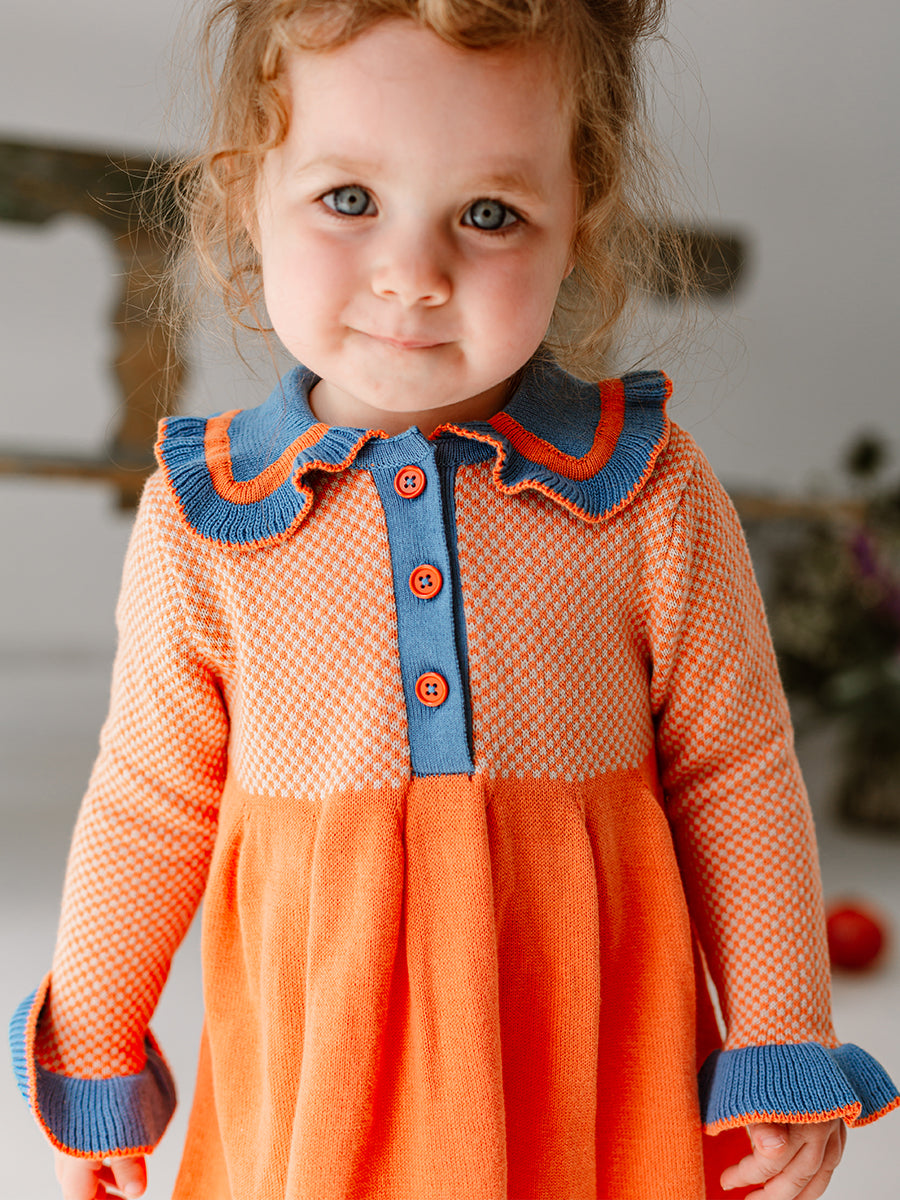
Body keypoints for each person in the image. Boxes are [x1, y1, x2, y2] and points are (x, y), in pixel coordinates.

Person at [10, 2, 899, 1198]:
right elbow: (150, 801)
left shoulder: (647, 491)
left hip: (588, 1080)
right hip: (321, 1084)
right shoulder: (210, 519)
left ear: (577, 219)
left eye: (487, 214)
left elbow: (734, 768)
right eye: (349, 198)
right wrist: (93, 1046)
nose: (413, 278)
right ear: (248, 194)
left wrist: (780, 1031)